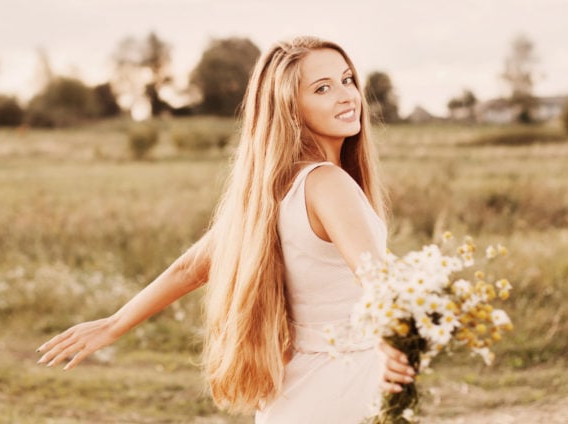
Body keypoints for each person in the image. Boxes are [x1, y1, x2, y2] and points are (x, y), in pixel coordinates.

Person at [37, 36, 415, 423]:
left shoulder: (272, 190)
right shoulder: (327, 183)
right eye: (322, 88)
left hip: (296, 389)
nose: (346, 95)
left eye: (347, 79)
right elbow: (377, 279)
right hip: (344, 382)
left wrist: (115, 324)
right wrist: (394, 338)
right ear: (290, 107)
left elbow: (192, 268)